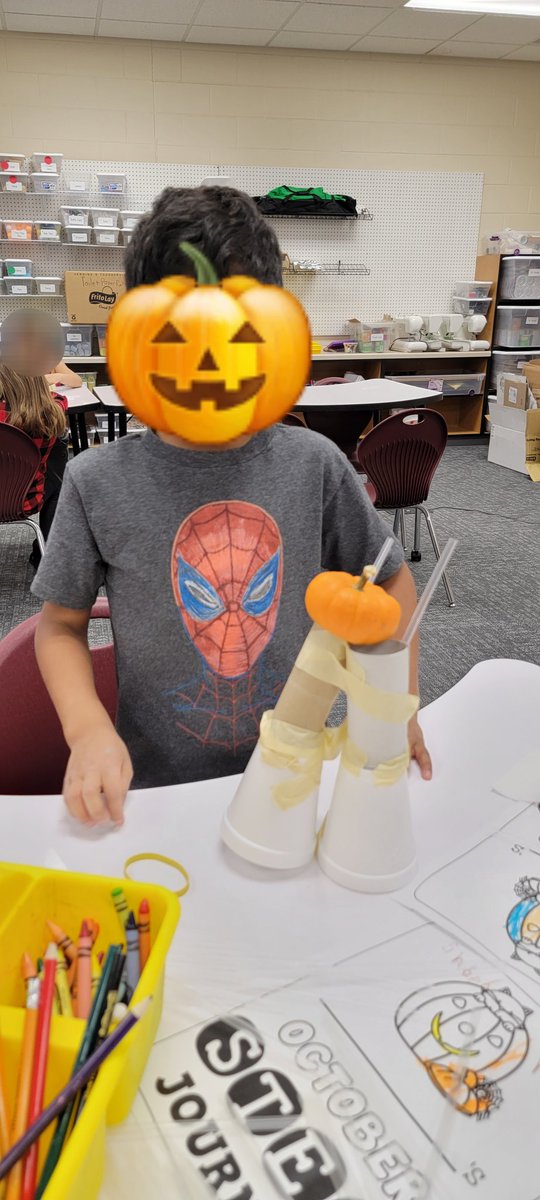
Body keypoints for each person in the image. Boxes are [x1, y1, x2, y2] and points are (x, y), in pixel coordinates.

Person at [32, 185, 431, 827]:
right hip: (154, 791)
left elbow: (390, 580)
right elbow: (59, 626)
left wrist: (399, 705)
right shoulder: (94, 481)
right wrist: (87, 732)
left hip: (299, 778)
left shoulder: (315, 466)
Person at [0, 363, 72, 562]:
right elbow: (60, 400)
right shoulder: (52, 413)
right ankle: (48, 553)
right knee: (57, 482)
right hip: (26, 499)